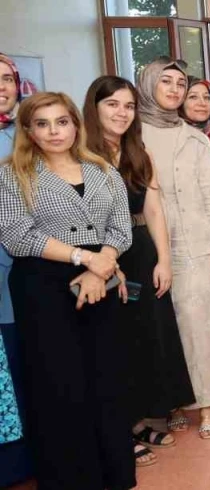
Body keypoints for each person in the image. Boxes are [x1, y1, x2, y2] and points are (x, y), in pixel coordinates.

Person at [0, 91, 135, 489]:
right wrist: (84, 258)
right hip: (43, 285)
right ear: (29, 131)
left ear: (76, 125)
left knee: (105, 378)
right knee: (59, 384)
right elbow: (17, 237)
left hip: (101, 279)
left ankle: (114, 473)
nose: (54, 131)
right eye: (42, 124)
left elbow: (121, 228)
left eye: (62, 122)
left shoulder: (103, 169)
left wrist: (101, 263)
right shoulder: (12, 175)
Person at [83, 76, 196, 467]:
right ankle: (120, 426)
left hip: (140, 251)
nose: (122, 113)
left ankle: (141, 419)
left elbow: (153, 209)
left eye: (129, 106)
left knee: (147, 336)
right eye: (112, 104)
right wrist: (100, 263)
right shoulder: (81, 153)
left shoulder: (137, 151)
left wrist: (164, 259)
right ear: (94, 108)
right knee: (113, 342)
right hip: (100, 258)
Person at [138, 58, 210, 439]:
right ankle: (175, 400)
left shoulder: (195, 138)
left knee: (200, 324)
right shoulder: (132, 133)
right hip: (147, 245)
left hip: (194, 242)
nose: (175, 90)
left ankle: (208, 404)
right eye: (166, 82)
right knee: (163, 327)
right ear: (148, 85)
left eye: (180, 83)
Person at [0, 53, 30, 487]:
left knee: (24, 364)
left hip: (31, 270)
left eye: (7, 79)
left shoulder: (27, 134)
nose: (1, 86)